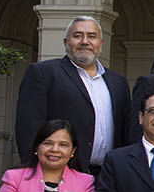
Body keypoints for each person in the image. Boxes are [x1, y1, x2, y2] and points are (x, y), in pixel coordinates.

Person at [14, 16, 130, 177]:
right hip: (60, 174)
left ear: (100, 44)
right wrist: (36, 172)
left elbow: (125, 131)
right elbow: (28, 127)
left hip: (108, 175)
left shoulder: (118, 82)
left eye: (91, 36)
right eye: (77, 36)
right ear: (65, 42)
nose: (85, 41)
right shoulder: (44, 73)